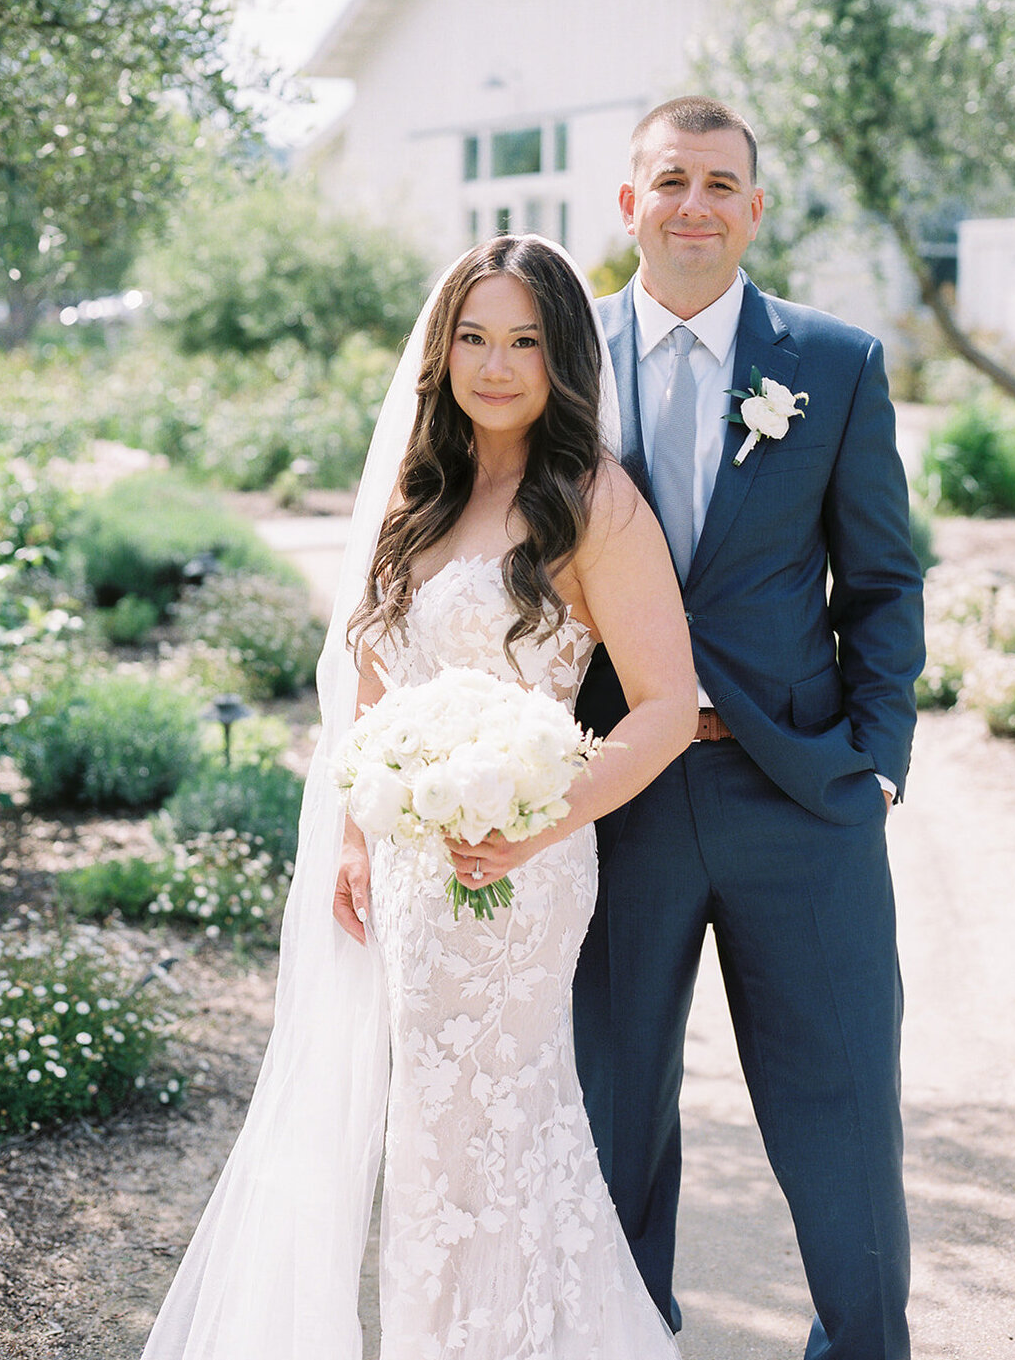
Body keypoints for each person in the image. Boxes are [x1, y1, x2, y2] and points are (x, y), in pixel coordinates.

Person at [140, 235, 697, 1360]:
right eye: (474, 339)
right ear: (442, 354)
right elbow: (375, 678)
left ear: (562, 357)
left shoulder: (595, 504)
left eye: (525, 342)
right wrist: (355, 832)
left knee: (489, 1129)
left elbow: (667, 709)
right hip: (407, 870)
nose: (496, 366)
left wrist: (544, 818)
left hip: (524, 874)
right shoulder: (423, 489)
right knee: (424, 1140)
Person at [572, 96, 925, 1360]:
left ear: (754, 208)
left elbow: (882, 584)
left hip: (799, 798)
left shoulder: (833, 364)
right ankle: (620, 1339)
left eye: (722, 184)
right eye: (670, 180)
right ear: (628, 203)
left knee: (842, 1123)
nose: (695, 206)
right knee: (609, 1118)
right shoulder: (565, 356)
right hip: (617, 799)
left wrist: (875, 768)